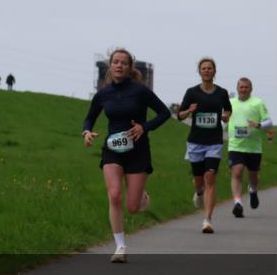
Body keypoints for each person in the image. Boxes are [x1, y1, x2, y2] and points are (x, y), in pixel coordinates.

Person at [83, 48, 171, 262]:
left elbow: (164, 113)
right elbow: (89, 118)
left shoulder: (140, 90)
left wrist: (145, 127)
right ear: (110, 66)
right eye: (115, 62)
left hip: (138, 151)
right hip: (113, 149)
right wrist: (86, 132)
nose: (119, 65)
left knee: (132, 207)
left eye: (123, 63)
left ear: (130, 68)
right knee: (114, 195)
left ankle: (141, 195)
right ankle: (120, 247)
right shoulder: (103, 94)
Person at [177, 58, 232, 233]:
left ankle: (207, 220)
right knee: (199, 179)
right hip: (195, 142)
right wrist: (189, 111)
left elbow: (228, 109)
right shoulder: (192, 92)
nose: (207, 71)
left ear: (214, 72)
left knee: (210, 178)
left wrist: (225, 116)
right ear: (199, 72)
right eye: (203, 68)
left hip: (214, 142)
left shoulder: (222, 93)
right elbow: (179, 115)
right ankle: (198, 192)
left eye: (209, 68)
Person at [227, 77, 273, 216]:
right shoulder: (230, 103)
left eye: (246, 87)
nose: (243, 89)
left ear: (251, 89)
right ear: (237, 88)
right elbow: (224, 118)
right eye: (241, 87)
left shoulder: (258, 103)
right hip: (235, 146)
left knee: (253, 176)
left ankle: (253, 190)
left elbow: (269, 122)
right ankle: (238, 203)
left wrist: (258, 125)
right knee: (237, 172)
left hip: (253, 147)